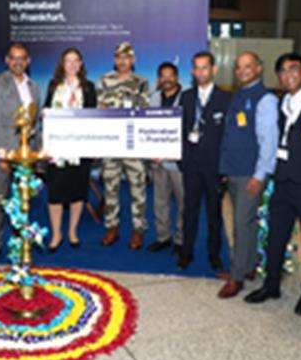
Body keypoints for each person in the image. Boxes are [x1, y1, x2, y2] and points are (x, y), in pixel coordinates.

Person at [244, 53, 301, 315]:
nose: (287, 75)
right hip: (283, 181)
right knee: (276, 236)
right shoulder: (281, 101)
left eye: (293, 69)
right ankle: (271, 285)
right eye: (282, 71)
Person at [218, 52, 279, 299]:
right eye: (238, 67)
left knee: (240, 224)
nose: (242, 71)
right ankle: (249, 265)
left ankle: (237, 277)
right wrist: (225, 168)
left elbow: (269, 141)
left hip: (250, 174)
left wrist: (260, 175)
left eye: (247, 66)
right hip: (233, 169)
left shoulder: (265, 99)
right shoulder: (239, 95)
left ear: (259, 68)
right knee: (248, 222)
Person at [0, 42, 41, 262]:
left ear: (28, 61)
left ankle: (20, 240)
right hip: (6, 151)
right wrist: (2, 154)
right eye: (13, 58)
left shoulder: (34, 86)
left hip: (27, 154)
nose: (18, 62)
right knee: (1, 198)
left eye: (22, 58)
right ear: (7, 61)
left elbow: (34, 121)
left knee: (23, 197)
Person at [177, 52, 231, 271]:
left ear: (213, 70)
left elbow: (229, 136)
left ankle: (214, 254)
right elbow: (180, 130)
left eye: (205, 67)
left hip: (215, 167)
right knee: (189, 211)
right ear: (192, 71)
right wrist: (181, 159)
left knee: (214, 214)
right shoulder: (186, 97)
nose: (200, 72)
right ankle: (186, 252)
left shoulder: (226, 98)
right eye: (197, 68)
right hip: (191, 165)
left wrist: (225, 168)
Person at [43, 47, 97, 251]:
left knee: (78, 192)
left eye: (76, 60)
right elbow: (46, 113)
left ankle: (72, 231)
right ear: (62, 64)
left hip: (80, 149)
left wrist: (94, 145)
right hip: (57, 149)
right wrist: (44, 114)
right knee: (55, 193)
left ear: (81, 64)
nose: (72, 64)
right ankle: (56, 234)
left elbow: (93, 118)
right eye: (68, 60)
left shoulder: (89, 88)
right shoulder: (53, 86)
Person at [97, 42, 150, 250]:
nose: (122, 61)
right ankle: (112, 226)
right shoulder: (104, 81)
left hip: (132, 143)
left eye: (126, 57)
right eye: (119, 57)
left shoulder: (141, 83)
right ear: (114, 60)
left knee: (138, 188)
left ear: (133, 60)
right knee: (110, 187)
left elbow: (144, 112)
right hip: (110, 143)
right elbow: (99, 111)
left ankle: (138, 229)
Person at [147, 62, 184, 255]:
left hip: (178, 162)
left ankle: (180, 239)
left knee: (183, 202)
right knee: (159, 202)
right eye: (163, 76)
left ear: (177, 78)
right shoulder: (153, 98)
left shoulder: (187, 98)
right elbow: (147, 127)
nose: (167, 79)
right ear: (158, 79)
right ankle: (163, 237)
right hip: (157, 161)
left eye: (170, 76)